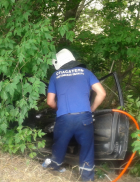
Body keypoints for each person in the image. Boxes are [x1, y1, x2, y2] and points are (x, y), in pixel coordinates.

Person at [42, 49, 106, 181]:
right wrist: (92, 108)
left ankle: (54, 169)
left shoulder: (56, 75)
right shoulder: (87, 73)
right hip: (84, 117)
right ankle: (87, 178)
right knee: (87, 149)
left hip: (64, 118)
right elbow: (102, 93)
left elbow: (49, 102)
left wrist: (58, 109)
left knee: (59, 145)